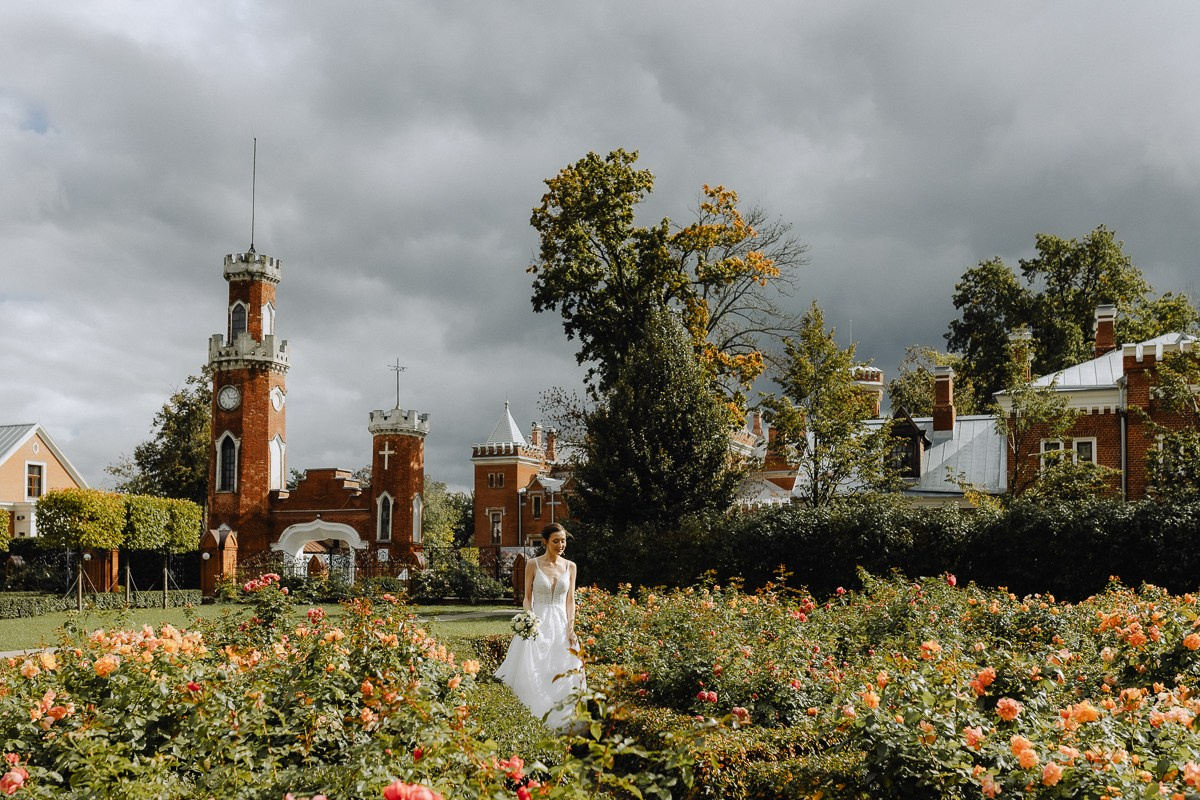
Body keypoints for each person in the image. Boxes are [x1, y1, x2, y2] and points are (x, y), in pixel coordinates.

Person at [495, 522, 586, 731]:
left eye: (563, 541)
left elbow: (570, 600)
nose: (560, 545)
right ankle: (533, 718)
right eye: (556, 541)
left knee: (564, 668)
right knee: (534, 667)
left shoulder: (570, 566)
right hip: (538, 621)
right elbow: (527, 598)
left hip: (562, 624)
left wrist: (571, 628)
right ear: (545, 542)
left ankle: (564, 721)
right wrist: (529, 618)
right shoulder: (532, 565)